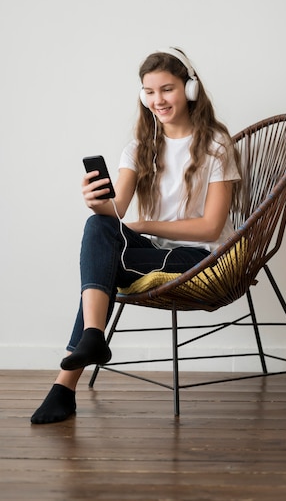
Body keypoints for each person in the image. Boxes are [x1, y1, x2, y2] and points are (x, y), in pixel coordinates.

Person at [31, 47, 241, 424]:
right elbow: (117, 212)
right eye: (149, 91)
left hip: (202, 258)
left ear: (190, 89)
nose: (157, 100)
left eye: (167, 89)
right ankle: (94, 335)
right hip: (152, 257)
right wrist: (96, 201)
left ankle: (65, 385)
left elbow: (210, 227)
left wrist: (143, 227)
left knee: (105, 265)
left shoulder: (216, 146)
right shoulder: (140, 148)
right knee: (97, 227)